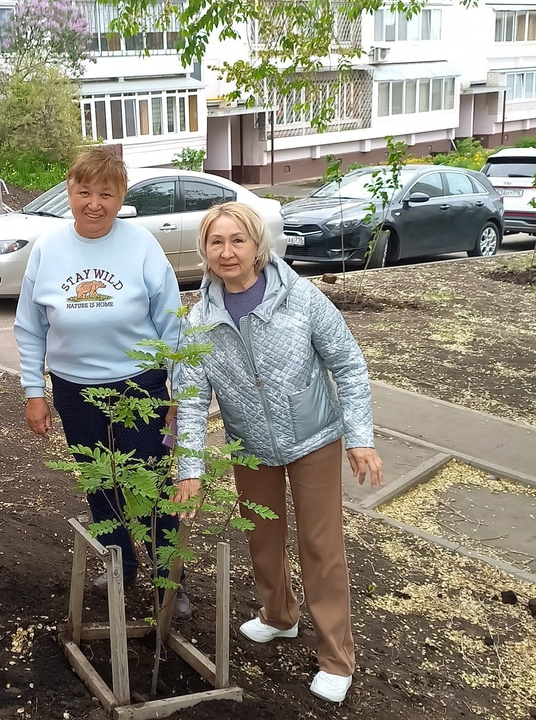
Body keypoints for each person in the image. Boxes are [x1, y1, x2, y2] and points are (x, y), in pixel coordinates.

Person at [172, 202, 384, 703]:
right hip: (251, 447)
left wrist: (359, 438)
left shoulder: (301, 297)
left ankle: (336, 658)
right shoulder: (199, 320)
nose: (227, 252)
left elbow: (348, 364)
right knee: (262, 538)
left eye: (237, 240)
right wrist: (190, 469)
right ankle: (280, 615)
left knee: (320, 545)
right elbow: (191, 399)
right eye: (216, 242)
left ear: (257, 245)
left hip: (314, 439)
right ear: (204, 250)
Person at [14, 147, 191, 621]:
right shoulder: (47, 249)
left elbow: (172, 323)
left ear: (121, 197)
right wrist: (34, 392)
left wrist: (178, 392)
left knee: (152, 481)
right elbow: (30, 327)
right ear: (68, 191)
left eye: (106, 194)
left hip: (140, 386)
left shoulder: (142, 245)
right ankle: (120, 564)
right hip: (74, 390)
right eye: (84, 191)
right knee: (99, 480)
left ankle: (170, 577)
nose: (94, 203)